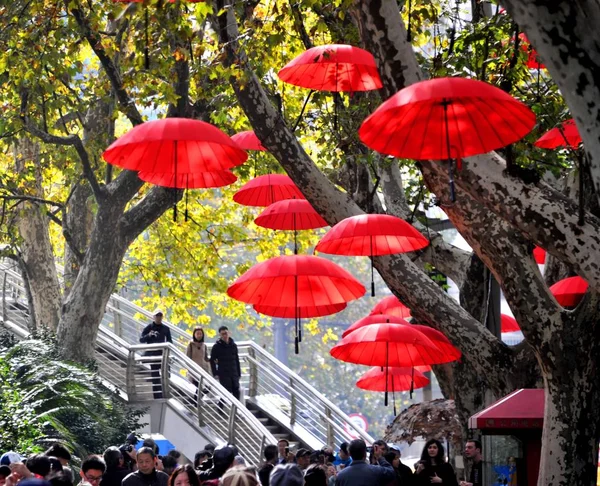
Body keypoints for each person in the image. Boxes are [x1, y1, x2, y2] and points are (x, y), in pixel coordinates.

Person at [140, 309, 173, 399]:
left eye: (160, 316)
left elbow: (170, 342)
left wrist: (166, 348)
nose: (158, 318)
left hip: (162, 355)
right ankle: (157, 396)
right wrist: (149, 335)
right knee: (155, 376)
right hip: (153, 355)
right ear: (153, 317)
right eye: (157, 316)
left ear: (162, 317)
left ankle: (164, 394)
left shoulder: (166, 328)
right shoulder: (149, 327)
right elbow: (141, 339)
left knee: (165, 375)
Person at [210, 326, 241, 400]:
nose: (225, 335)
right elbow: (212, 361)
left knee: (236, 392)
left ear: (229, 333)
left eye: (226, 333)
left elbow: (236, 359)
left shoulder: (233, 345)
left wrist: (239, 373)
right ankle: (220, 409)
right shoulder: (216, 347)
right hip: (223, 373)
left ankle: (236, 411)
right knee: (225, 393)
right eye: (222, 334)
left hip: (234, 373)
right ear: (220, 335)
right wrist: (215, 373)